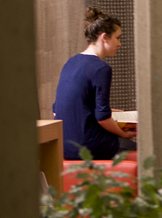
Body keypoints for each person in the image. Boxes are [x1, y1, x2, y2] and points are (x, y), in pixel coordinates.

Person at [53, 7, 136, 160]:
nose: (120, 44)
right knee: (143, 149)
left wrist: (115, 112)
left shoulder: (71, 62)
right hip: (88, 148)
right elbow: (102, 118)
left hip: (65, 147)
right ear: (104, 37)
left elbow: (58, 109)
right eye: (118, 38)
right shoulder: (101, 68)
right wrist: (124, 133)